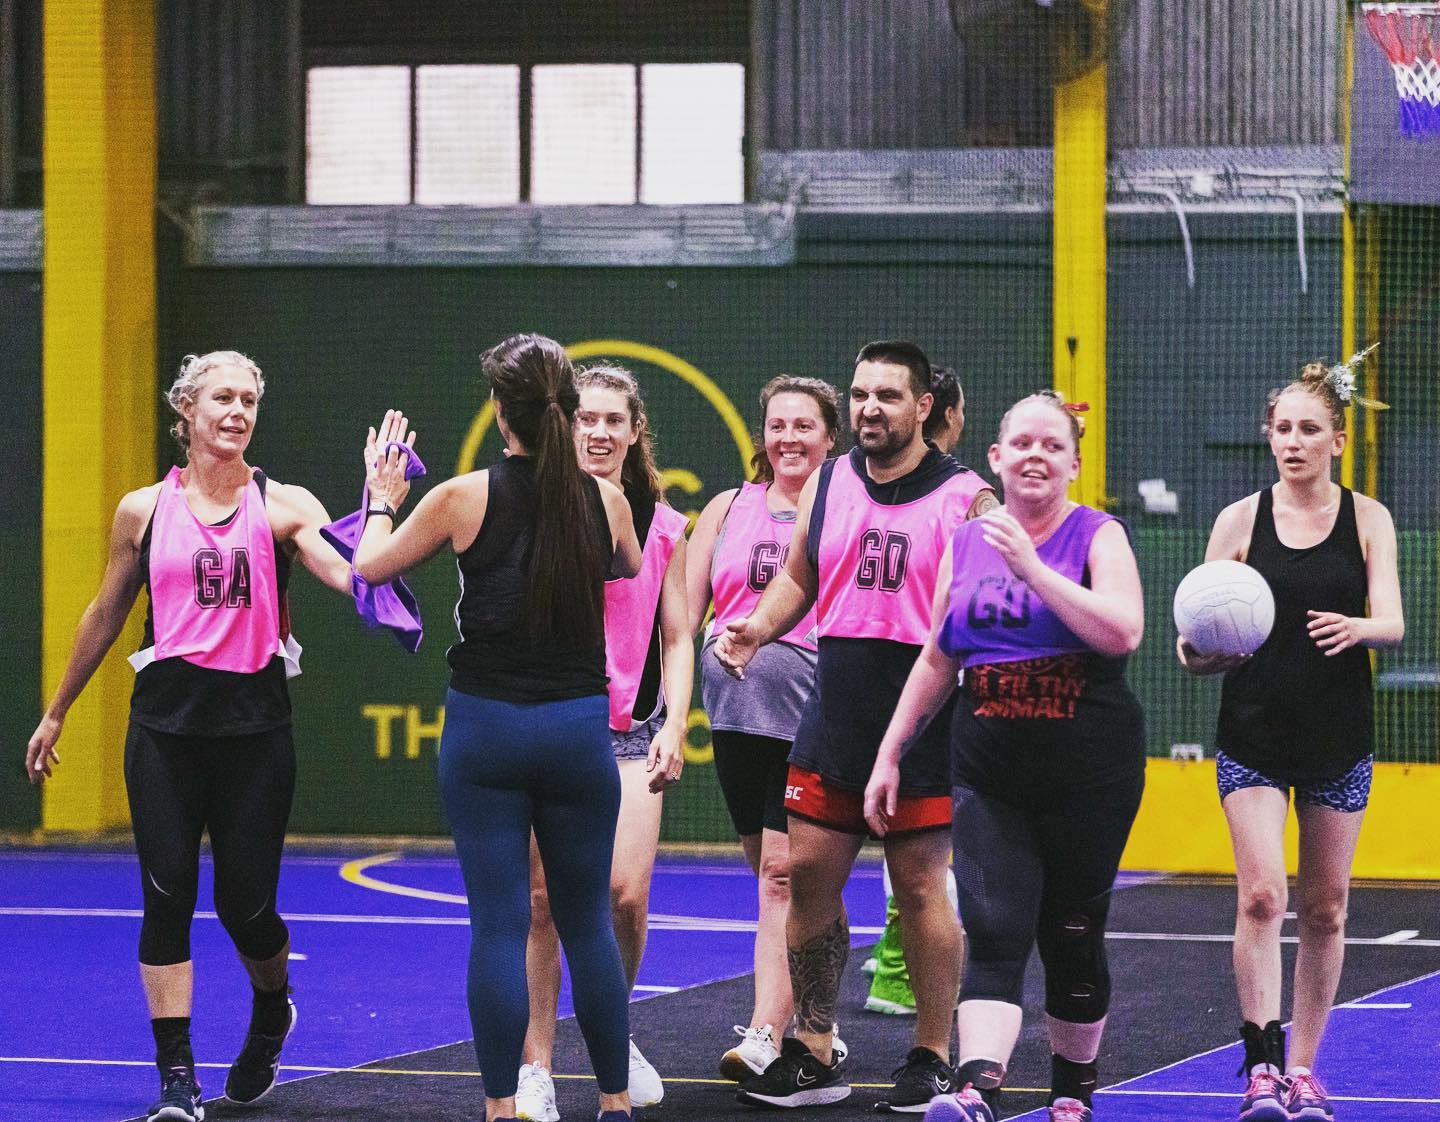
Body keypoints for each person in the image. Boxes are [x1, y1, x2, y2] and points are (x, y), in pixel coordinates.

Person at [25, 351, 353, 1122]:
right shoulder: (142, 510)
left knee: (247, 910)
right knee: (165, 899)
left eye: (249, 400)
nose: (237, 411)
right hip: (165, 729)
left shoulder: (283, 504)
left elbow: (351, 575)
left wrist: (378, 513)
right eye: (222, 399)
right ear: (187, 412)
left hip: (256, 731)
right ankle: (178, 1081)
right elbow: (105, 613)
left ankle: (273, 1009)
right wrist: (56, 709)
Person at [352, 334, 644, 1122]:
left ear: (498, 412)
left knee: (500, 922)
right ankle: (615, 1101)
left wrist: (380, 495)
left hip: (485, 729)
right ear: (567, 413)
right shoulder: (604, 498)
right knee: (586, 921)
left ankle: (500, 1108)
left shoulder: (460, 497)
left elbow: (369, 566)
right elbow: (629, 566)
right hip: (579, 730)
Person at [716, 341, 996, 1112]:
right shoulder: (832, 481)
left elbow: (990, 604)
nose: (871, 408)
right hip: (833, 709)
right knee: (807, 876)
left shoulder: (968, 497)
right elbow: (801, 575)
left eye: (889, 396)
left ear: (925, 408)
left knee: (918, 888)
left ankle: (932, 1056)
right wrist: (754, 629)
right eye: (862, 394)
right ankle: (814, 1047)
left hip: (925, 718)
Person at [866, 390, 1147, 1122]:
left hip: (1091, 773)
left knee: (1071, 933)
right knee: (992, 929)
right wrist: (890, 753)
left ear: (1073, 464)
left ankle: (1071, 1091)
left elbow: (1122, 632)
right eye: (1021, 442)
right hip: (990, 770)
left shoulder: (1097, 535)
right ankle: (975, 1089)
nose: (1034, 455)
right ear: (996, 455)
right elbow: (937, 654)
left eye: (1052, 445)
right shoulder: (966, 542)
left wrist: (1035, 570)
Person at [1177, 359, 1402, 1122]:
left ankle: (1305, 1070)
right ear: (1267, 437)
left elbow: (1394, 621)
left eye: (1310, 430)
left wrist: (1360, 627)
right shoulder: (1239, 522)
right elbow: (1190, 645)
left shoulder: (1367, 518)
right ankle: (1261, 1065)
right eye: (1283, 429)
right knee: (1264, 894)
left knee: (1328, 909)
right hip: (1254, 734)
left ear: (1337, 439)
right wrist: (1207, 653)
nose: (1295, 442)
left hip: (1339, 735)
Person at [514, 365, 690, 1121]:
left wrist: (677, 723)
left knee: (623, 897)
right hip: (551, 723)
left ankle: (610, 1033)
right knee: (546, 902)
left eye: (614, 419)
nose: (599, 430)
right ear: (565, 425)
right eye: (585, 417)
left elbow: (679, 635)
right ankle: (536, 1067)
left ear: (634, 430)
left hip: (633, 731)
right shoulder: (533, 510)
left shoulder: (662, 522)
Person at [686, 375, 840, 1081]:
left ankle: (765, 1033)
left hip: (813, 715)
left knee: (782, 877)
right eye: (777, 425)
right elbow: (683, 616)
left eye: (804, 425)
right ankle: (820, 1020)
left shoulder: (844, 506)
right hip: (736, 719)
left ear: (830, 436)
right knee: (787, 883)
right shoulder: (726, 506)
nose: (789, 438)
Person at [865, 362, 968, 1018]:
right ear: (943, 415)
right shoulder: (951, 498)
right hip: (928, 685)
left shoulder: (956, 496)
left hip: (910, 682)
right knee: (925, 857)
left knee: (915, 853)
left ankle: (904, 966)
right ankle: (907, 971)